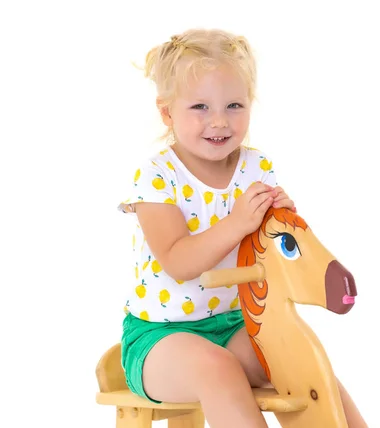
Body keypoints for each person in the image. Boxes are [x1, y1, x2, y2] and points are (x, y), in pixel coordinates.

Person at [117, 27, 367, 427]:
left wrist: (282, 219)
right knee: (218, 370)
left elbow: (271, 253)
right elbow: (179, 263)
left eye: (234, 105)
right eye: (200, 107)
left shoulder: (255, 167)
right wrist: (237, 223)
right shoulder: (157, 176)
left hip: (237, 324)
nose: (219, 121)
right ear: (167, 112)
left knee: (299, 360)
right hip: (158, 338)